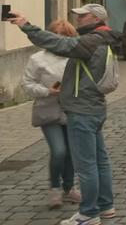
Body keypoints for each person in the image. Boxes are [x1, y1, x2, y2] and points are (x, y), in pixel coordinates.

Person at [11, 4, 120, 225]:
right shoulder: (107, 39)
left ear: (96, 19)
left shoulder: (91, 41)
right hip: (95, 107)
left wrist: (26, 26)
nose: (78, 19)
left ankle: (89, 213)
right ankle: (106, 207)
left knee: (87, 165)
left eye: (83, 16)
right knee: (101, 162)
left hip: (81, 111)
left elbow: (57, 43)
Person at [20, 19, 82, 208]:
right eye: (57, 37)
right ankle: (55, 188)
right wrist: (48, 91)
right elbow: (27, 84)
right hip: (48, 110)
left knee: (71, 152)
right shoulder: (38, 59)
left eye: (66, 37)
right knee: (59, 151)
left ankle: (69, 188)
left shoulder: (76, 57)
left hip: (72, 110)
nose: (61, 41)